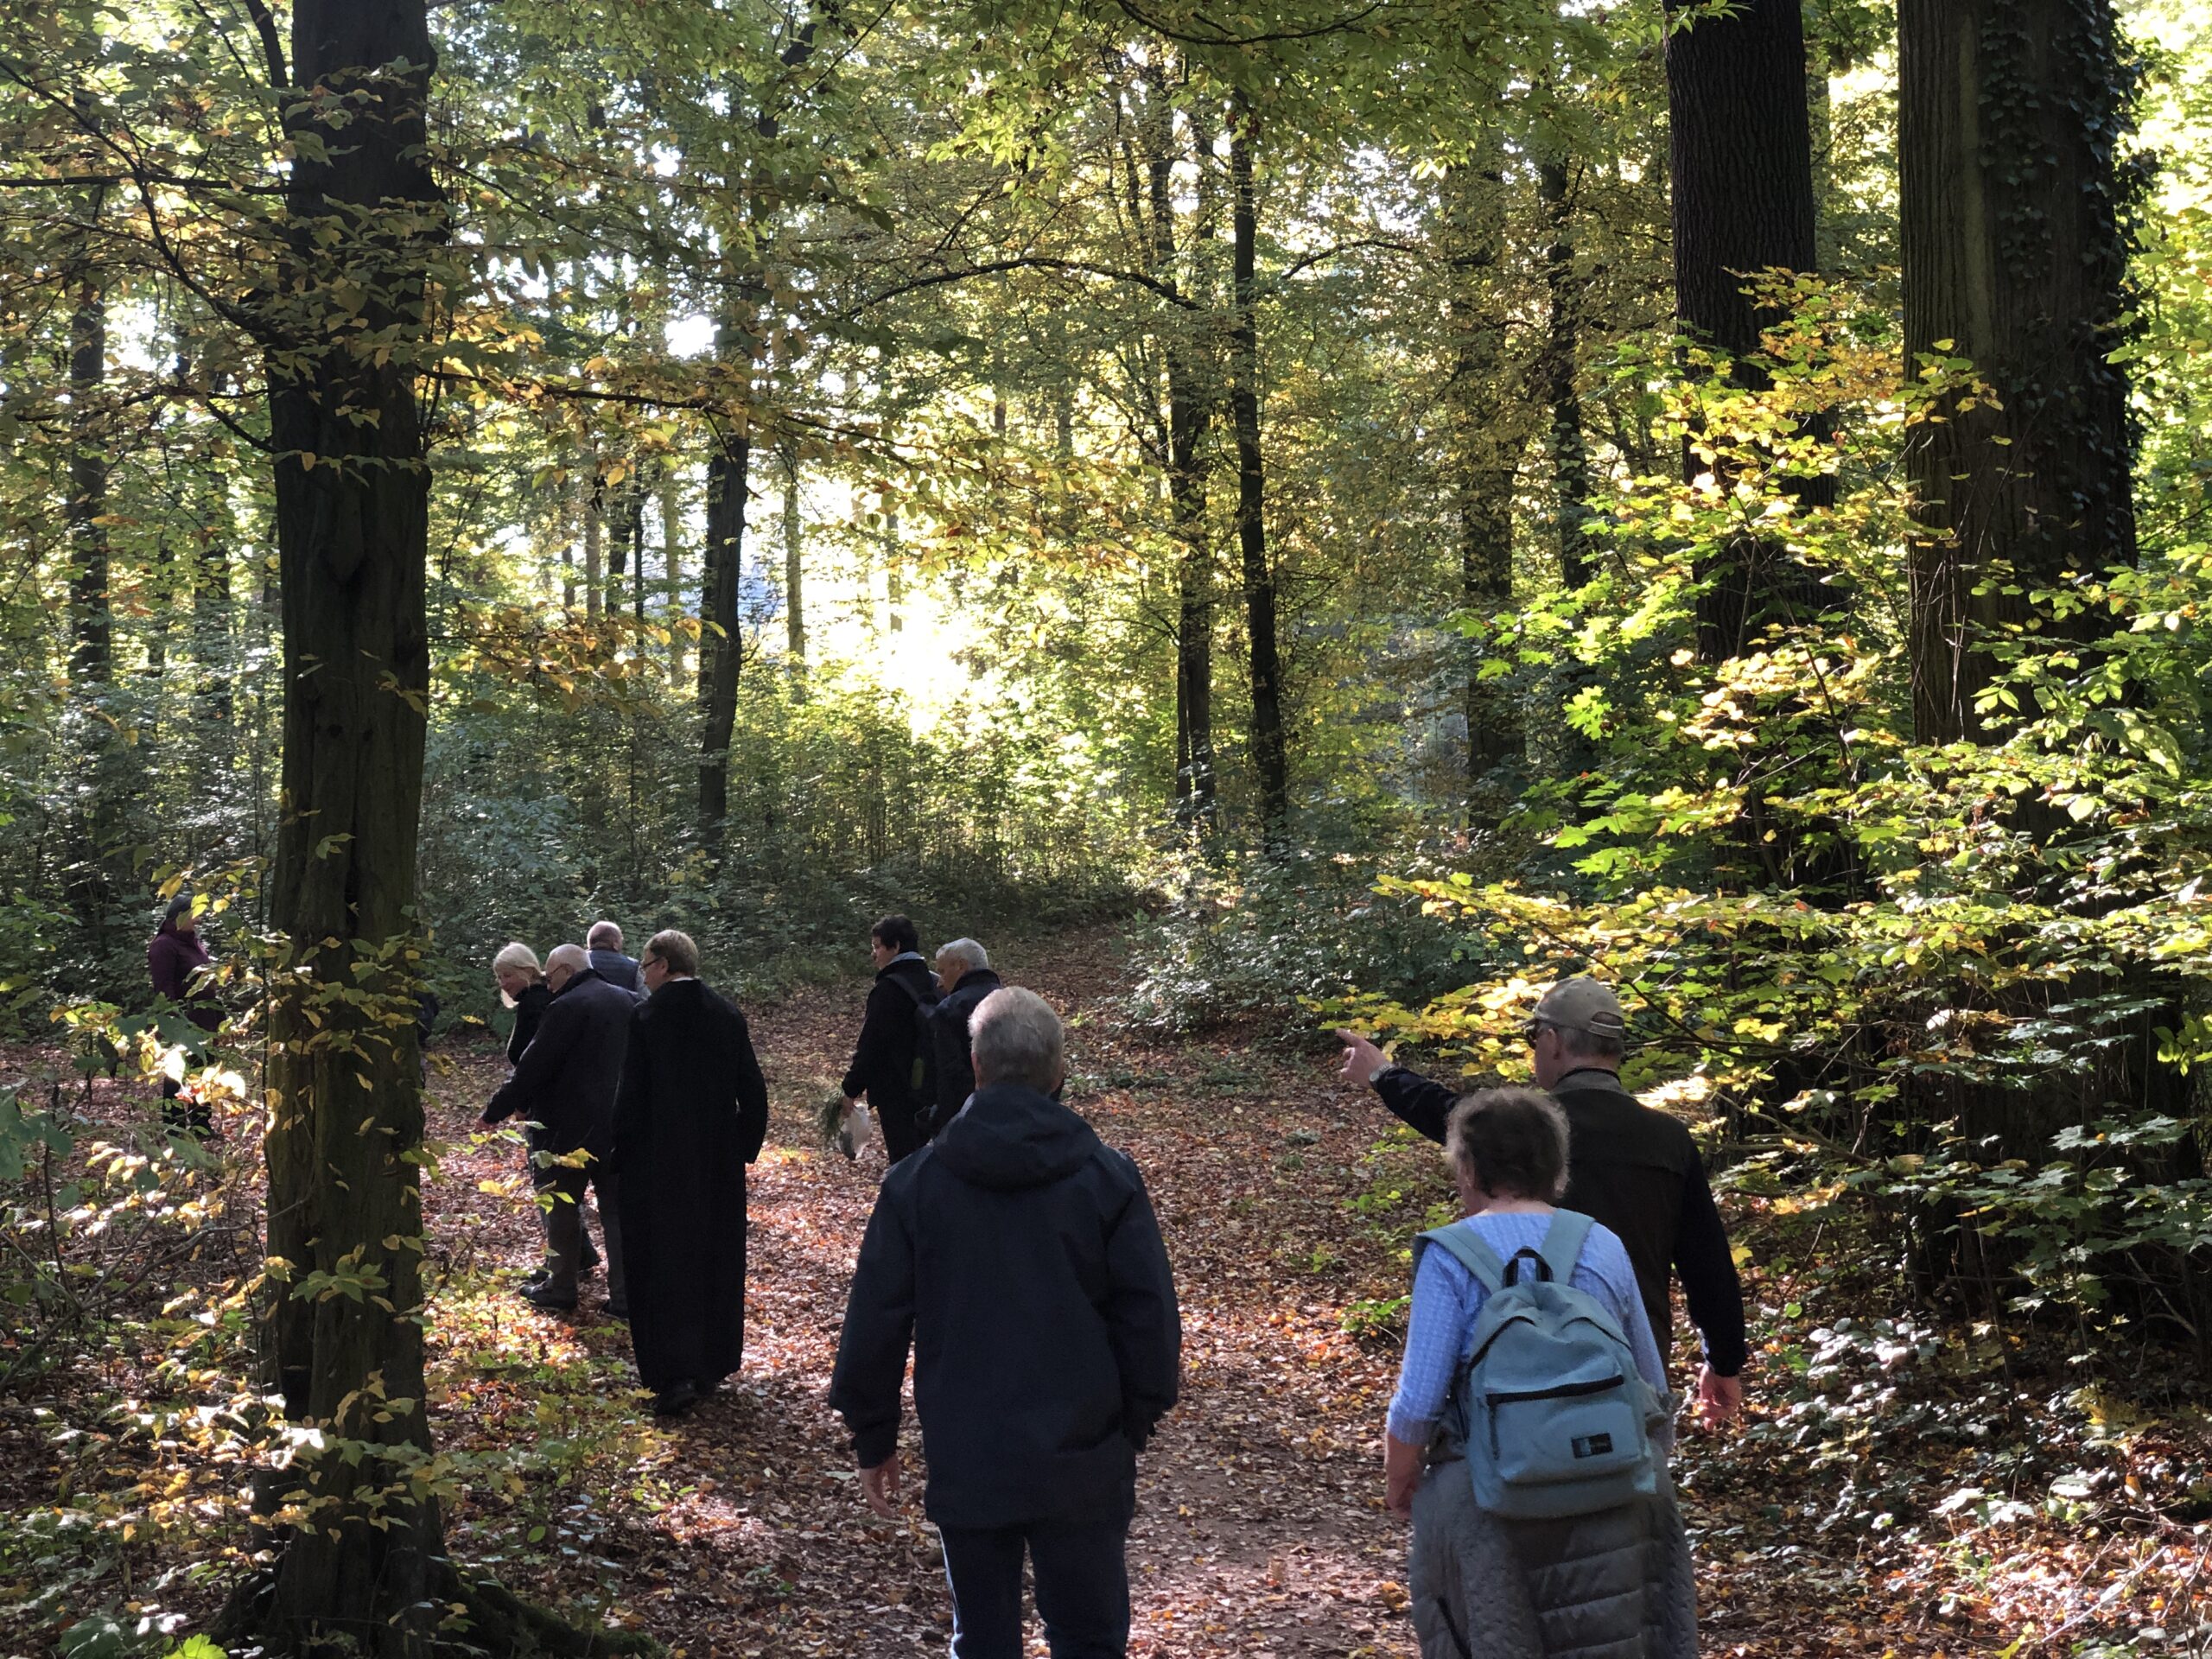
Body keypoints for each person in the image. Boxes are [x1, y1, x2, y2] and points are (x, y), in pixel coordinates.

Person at [831, 988, 1180, 1659]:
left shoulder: (917, 1184)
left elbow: (875, 1319)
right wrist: (1137, 1417)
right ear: (1059, 1073)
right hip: (1083, 1453)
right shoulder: (1107, 1178)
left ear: (976, 1065)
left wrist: (873, 1434)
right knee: (1089, 1638)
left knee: (983, 1641)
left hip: (971, 1447)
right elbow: (1149, 1317)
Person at [1338, 976, 1748, 1427]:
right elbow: (1708, 1266)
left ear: (1552, 1041)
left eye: (1534, 1037)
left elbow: (1450, 1113)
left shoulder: (1530, 1134)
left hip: (1516, 1380)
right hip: (1630, 1374)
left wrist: (1384, 1074)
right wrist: (1724, 1361)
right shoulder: (1668, 1141)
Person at [1387, 1088, 1694, 1658]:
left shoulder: (1449, 1254)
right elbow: (1652, 1386)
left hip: (1492, 1499)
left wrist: (1401, 1481)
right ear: (1556, 1168)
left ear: (1470, 1168)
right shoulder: (1602, 1244)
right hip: (1618, 1486)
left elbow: (1418, 1404)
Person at [609, 930, 771, 1418]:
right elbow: (754, 1092)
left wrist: (623, 1156)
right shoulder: (726, 1014)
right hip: (716, 1163)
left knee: (662, 1261)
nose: (642, 973)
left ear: (663, 964)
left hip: (659, 1165)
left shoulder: (648, 1017)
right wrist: (740, 1148)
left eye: (644, 964)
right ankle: (711, 1363)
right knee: (714, 1256)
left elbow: (631, 1097)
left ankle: (672, 1372)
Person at [482, 943, 632, 1315]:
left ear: (566, 970)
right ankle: (626, 1297)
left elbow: (531, 1068)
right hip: (621, 1127)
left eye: (551, 976)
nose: (548, 984)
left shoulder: (565, 1007)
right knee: (616, 1214)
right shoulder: (631, 1002)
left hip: (566, 1132)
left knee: (561, 1208)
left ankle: (561, 1287)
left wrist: (493, 1113)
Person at [837, 914, 939, 1164]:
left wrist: (850, 1089)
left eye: (877, 946)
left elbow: (872, 1044)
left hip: (897, 1091)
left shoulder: (888, 989)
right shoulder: (936, 981)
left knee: (905, 1160)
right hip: (934, 1086)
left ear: (895, 948)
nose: (873, 954)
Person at [147, 893, 221, 1135]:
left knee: (203, 1073)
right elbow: (163, 989)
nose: (198, 919)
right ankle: (174, 1129)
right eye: (195, 913)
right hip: (182, 1022)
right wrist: (175, 1023)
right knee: (176, 1076)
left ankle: (201, 1127)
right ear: (180, 916)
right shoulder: (164, 945)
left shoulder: (194, 942)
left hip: (205, 1021)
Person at [919, 937, 1001, 1139]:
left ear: (961, 966)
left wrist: (938, 1123)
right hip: (1014, 1116)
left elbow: (950, 1078)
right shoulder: (1013, 1002)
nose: (938, 983)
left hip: (968, 1122)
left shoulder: (949, 1011)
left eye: (942, 971)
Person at [492, 942, 552, 1073]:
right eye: (499, 978)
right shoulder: (546, 995)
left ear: (528, 971)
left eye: (507, 976)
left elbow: (530, 1057)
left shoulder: (533, 1004)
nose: (503, 984)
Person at [587, 920, 645, 995]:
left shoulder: (577, 961)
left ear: (589, 942)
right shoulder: (633, 966)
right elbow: (644, 997)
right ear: (615, 943)